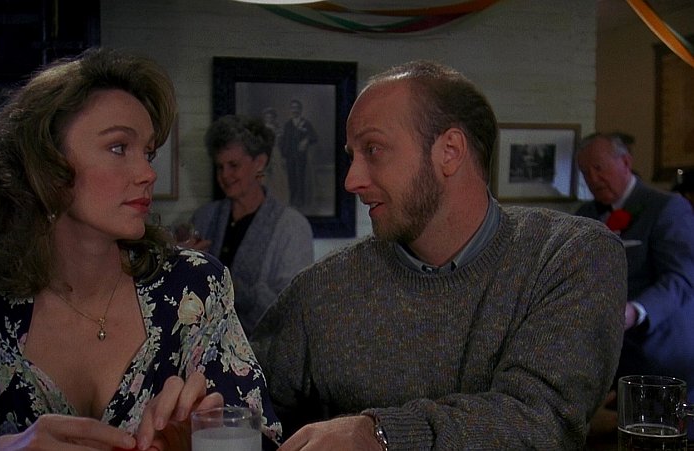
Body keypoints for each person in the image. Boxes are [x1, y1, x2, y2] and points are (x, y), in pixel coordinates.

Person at [0, 48, 282, 451]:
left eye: (148, 153)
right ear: (45, 164)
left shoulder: (196, 288)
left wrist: (198, 443)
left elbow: (265, 441)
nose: (148, 173)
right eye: (119, 148)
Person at [251, 60, 627, 449]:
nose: (352, 180)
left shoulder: (570, 256)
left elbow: (539, 423)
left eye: (373, 149)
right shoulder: (322, 288)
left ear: (449, 151)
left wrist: (379, 435)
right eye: (352, 156)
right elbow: (247, 406)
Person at [574, 132, 694, 437]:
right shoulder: (584, 216)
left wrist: (635, 311)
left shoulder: (668, 208)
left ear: (625, 162)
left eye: (599, 168)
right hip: (607, 362)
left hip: (659, 357)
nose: (593, 179)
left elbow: (680, 279)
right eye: (585, 172)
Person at [189, 114, 313, 336]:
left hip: (262, 353)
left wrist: (229, 285)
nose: (225, 175)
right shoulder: (204, 217)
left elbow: (291, 309)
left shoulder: (292, 227)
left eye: (233, 165)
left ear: (260, 163)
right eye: (219, 167)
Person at [280, 99, 318, 208]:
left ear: (300, 110)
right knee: (291, 178)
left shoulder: (305, 123)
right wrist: (283, 156)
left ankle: (301, 201)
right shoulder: (287, 125)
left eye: (297, 108)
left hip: (301, 157)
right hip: (289, 157)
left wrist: (306, 140)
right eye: (293, 108)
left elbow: (314, 137)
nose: (295, 110)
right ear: (290, 110)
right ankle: (292, 200)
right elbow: (284, 141)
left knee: (300, 178)